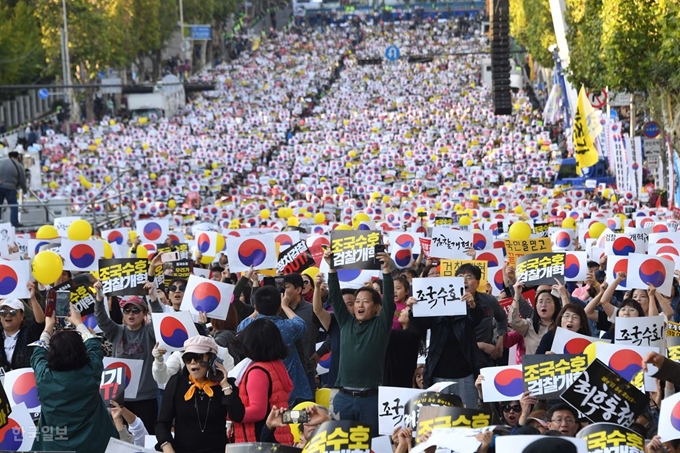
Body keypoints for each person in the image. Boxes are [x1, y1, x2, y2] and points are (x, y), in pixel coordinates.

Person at [30, 306, 118, 453]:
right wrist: (79, 323)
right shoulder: (90, 371)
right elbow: (94, 345)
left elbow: (38, 352)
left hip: (54, 446)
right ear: (81, 352)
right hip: (94, 444)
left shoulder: (44, 376)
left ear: (52, 354)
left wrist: (48, 326)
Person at [326, 249, 395, 431]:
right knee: (341, 446)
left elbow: (389, 301)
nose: (359, 305)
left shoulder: (380, 326)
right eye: (357, 301)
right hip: (343, 398)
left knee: (371, 445)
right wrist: (332, 270)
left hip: (371, 400)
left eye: (365, 301)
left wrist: (386, 270)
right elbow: (334, 297)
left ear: (376, 308)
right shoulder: (346, 323)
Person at [408, 264, 485, 409]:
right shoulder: (435, 307)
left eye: (468, 277)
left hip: (466, 374)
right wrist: (414, 309)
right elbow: (421, 324)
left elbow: (476, 320)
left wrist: (472, 306)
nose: (464, 281)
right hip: (439, 373)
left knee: (468, 416)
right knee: (439, 419)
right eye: (460, 277)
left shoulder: (472, 305)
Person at [94, 281, 160, 434]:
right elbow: (102, 319)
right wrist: (99, 296)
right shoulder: (116, 331)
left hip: (146, 398)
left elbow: (159, 322)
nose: (131, 314)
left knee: (146, 438)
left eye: (136, 310)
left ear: (144, 314)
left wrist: (153, 298)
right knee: (120, 439)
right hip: (119, 398)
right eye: (127, 310)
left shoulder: (149, 332)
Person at [155, 335, 230, 453]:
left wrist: (225, 386)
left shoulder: (224, 385)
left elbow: (237, 415)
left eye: (198, 357)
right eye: (188, 358)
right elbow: (162, 422)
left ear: (210, 359)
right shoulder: (177, 382)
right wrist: (167, 447)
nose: (193, 362)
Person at [238, 285, 312, 404]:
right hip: (289, 389)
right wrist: (285, 306)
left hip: (259, 383)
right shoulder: (288, 327)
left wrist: (257, 310)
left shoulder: (248, 327)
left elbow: (241, 325)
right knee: (291, 421)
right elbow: (301, 324)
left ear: (256, 306)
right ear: (279, 308)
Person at [226, 318, 294, 444]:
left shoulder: (258, 372)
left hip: (260, 441)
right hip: (280, 437)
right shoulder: (277, 365)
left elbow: (257, 412)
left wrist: (232, 413)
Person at [0, 284, 46, 373]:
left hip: (25, 383)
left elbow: (40, 321)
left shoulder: (29, 331)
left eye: (13, 312)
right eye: (3, 312)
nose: (8, 315)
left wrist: (32, 298)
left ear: (22, 316)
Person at [509, 284, 562, 355]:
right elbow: (513, 321)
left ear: (555, 306)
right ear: (536, 306)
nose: (543, 304)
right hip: (533, 365)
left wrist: (564, 295)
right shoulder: (529, 325)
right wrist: (517, 295)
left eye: (548, 301)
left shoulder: (562, 326)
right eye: (540, 301)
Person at [0, 151, 28, 227]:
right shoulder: (19, 165)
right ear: (17, 157)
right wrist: (25, 190)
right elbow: (22, 180)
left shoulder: (1, 162)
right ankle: (14, 223)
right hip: (10, 188)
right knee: (14, 206)